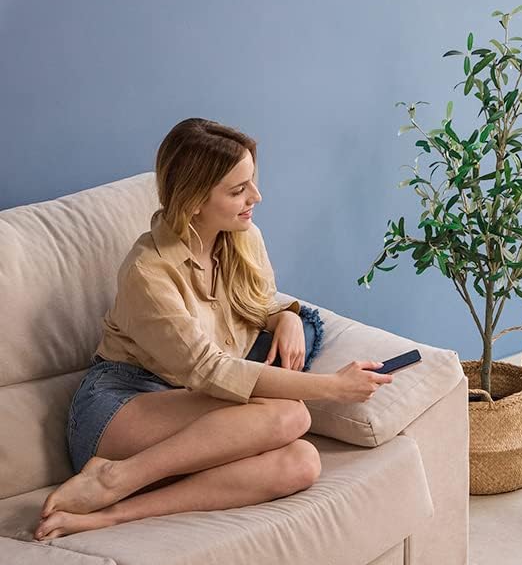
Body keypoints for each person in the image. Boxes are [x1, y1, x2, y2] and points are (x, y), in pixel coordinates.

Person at [34, 118, 392, 541]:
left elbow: (257, 304)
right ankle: (115, 475)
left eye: (252, 182)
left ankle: (112, 514)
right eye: (237, 190)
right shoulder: (148, 272)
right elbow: (210, 369)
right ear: (194, 200)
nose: (255, 197)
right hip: (123, 404)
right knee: (291, 413)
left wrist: (285, 316)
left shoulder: (242, 236)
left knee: (302, 463)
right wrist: (332, 387)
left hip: (191, 404)